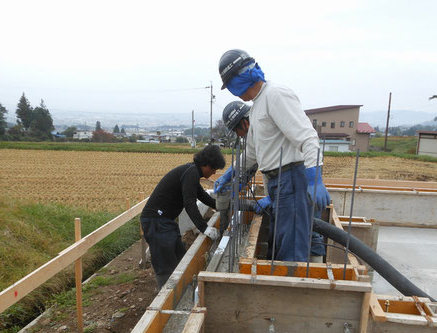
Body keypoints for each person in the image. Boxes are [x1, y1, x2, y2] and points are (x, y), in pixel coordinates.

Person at [215, 49, 330, 262]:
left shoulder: (275, 95)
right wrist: (229, 174)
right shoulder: (257, 106)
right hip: (280, 184)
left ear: (238, 79)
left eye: (230, 85)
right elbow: (251, 154)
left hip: (292, 180)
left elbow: (308, 138)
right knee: (282, 244)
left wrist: (314, 179)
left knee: (291, 252)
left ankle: (291, 291)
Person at [140, 145, 225, 288]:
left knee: (180, 258)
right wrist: (204, 228)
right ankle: (166, 299)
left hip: (165, 221)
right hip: (156, 222)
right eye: (214, 168)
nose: (214, 172)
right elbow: (189, 203)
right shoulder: (190, 173)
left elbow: (203, 196)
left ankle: (181, 291)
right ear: (207, 164)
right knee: (165, 266)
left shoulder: (192, 171)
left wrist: (223, 206)